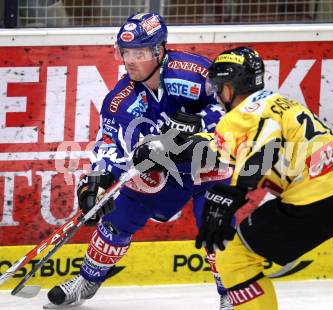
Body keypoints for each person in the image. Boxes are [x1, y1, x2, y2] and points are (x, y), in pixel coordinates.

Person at [140, 46, 333, 309]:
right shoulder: (277, 105)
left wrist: (237, 192)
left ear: (231, 86)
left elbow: (266, 142)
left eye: (219, 87)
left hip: (324, 190)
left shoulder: (247, 111)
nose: (217, 96)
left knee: (234, 256)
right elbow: (219, 148)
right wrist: (164, 147)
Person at [44, 13, 233, 310]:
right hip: (163, 170)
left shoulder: (193, 72)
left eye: (139, 53)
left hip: (206, 163)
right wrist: (97, 180)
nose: (130, 60)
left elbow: (232, 105)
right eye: (125, 52)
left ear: (160, 50)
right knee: (118, 218)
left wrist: (201, 123)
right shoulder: (119, 99)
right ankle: (87, 281)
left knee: (216, 224)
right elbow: (108, 145)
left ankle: (230, 295)